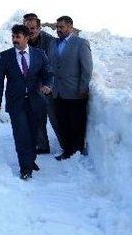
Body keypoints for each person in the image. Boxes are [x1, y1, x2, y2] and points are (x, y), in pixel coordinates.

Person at [0, 24, 54, 180]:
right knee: (21, 135)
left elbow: (48, 73)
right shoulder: (6, 56)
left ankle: (30, 159)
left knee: (33, 134)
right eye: (13, 37)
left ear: (27, 38)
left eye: (18, 37)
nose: (14, 40)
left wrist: (47, 85)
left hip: (36, 101)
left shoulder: (39, 54)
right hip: (16, 102)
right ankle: (25, 167)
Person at [49, 16, 93, 160]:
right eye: (57, 27)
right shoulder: (53, 44)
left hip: (75, 92)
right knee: (62, 123)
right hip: (58, 92)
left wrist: (84, 87)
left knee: (76, 124)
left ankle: (77, 152)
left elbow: (87, 68)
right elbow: (51, 66)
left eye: (61, 27)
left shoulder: (81, 43)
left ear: (71, 27)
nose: (58, 30)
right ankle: (67, 151)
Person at [23, 16, 62, 154]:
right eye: (27, 28)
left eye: (33, 28)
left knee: (54, 117)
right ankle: (43, 145)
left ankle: (66, 147)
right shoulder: (23, 41)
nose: (30, 31)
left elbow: (54, 65)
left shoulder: (50, 42)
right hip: (34, 85)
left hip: (50, 85)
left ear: (39, 28)